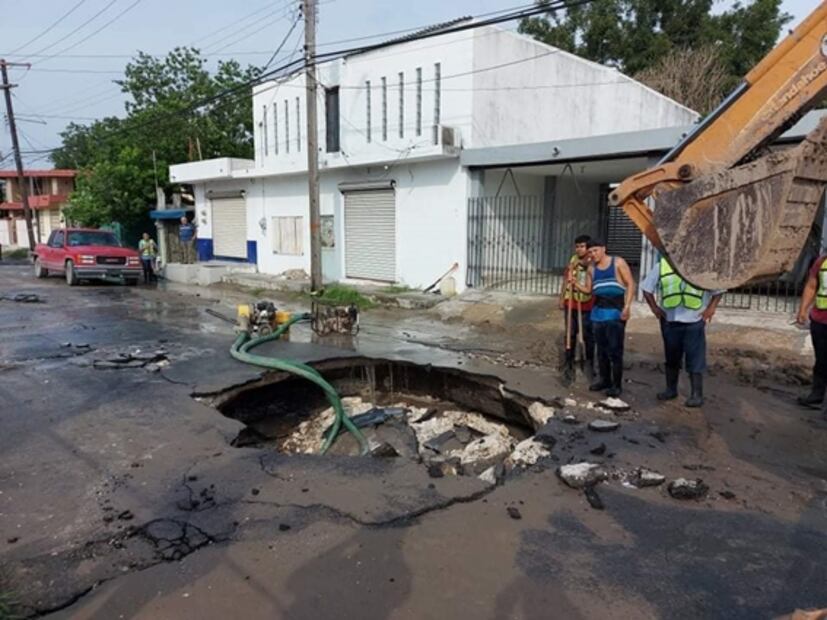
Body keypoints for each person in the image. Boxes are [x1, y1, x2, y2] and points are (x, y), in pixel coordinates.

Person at [642, 256, 723, 408]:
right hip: (670, 321)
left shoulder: (704, 265)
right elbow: (646, 289)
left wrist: (711, 309)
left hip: (694, 321)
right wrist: (654, 308)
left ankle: (696, 395)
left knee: (695, 358)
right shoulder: (662, 266)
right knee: (672, 357)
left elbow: (718, 291)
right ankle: (671, 390)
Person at [585, 239, 635, 397]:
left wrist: (627, 307)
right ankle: (604, 380)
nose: (593, 254)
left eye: (595, 250)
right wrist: (574, 284)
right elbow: (588, 290)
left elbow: (630, 284)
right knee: (601, 350)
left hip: (615, 313)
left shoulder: (618, 263)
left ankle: (617, 385)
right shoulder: (591, 269)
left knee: (615, 350)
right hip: (598, 314)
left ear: (603, 249)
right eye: (591, 252)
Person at [559, 234, 595, 375]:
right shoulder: (572, 260)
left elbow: (588, 264)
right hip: (571, 301)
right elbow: (565, 280)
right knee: (570, 333)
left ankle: (589, 362)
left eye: (582, 246)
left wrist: (580, 264)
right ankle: (569, 362)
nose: (579, 249)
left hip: (586, 303)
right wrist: (561, 298)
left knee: (587, 335)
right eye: (577, 246)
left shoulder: (591, 260)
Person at [795, 253, 827, 410]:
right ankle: (817, 395)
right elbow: (811, 285)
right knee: (821, 361)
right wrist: (803, 309)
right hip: (820, 320)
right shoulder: (822, 261)